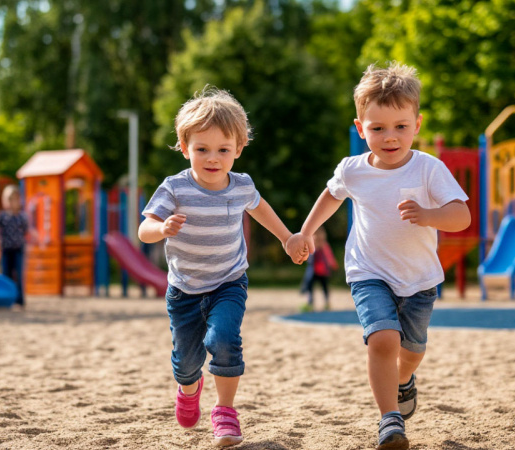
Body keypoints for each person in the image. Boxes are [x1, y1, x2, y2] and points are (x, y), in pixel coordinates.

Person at [286, 62, 471, 450]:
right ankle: (390, 421)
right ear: (360, 128)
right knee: (382, 340)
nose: (390, 137)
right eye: (378, 128)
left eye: (400, 127)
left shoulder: (428, 169)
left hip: (419, 278)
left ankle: (405, 381)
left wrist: (429, 215)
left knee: (412, 351)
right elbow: (331, 197)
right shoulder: (352, 171)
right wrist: (305, 231)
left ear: (416, 125)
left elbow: (461, 215)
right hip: (368, 272)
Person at [138, 87, 306, 447]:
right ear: (185, 149)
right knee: (186, 362)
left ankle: (225, 412)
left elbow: (260, 209)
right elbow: (144, 228)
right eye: (202, 149)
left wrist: (287, 237)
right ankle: (188, 389)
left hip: (228, 283)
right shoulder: (174, 188)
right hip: (183, 290)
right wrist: (161, 228)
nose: (212, 158)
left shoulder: (241, 185)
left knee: (224, 340)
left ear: (238, 150)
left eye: (223, 150)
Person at [299, 227, 338, 312]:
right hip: (313, 271)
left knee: (324, 287)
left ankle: (326, 302)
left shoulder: (325, 246)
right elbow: (308, 257)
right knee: (310, 287)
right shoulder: (312, 246)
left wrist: (333, 264)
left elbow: (329, 256)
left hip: (323, 271)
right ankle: (310, 303)